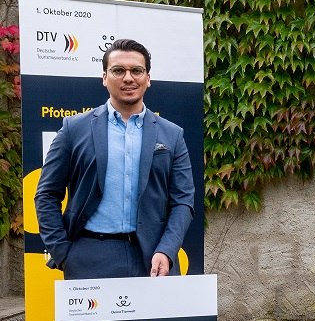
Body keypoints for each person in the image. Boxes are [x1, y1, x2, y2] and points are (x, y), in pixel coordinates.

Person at [35, 38, 195, 281]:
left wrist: (167, 249)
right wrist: (64, 253)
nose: (128, 78)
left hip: (154, 260)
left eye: (136, 71)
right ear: (104, 77)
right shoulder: (73, 129)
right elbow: (46, 194)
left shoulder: (172, 135)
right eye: (118, 70)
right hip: (89, 257)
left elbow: (183, 200)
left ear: (148, 78)